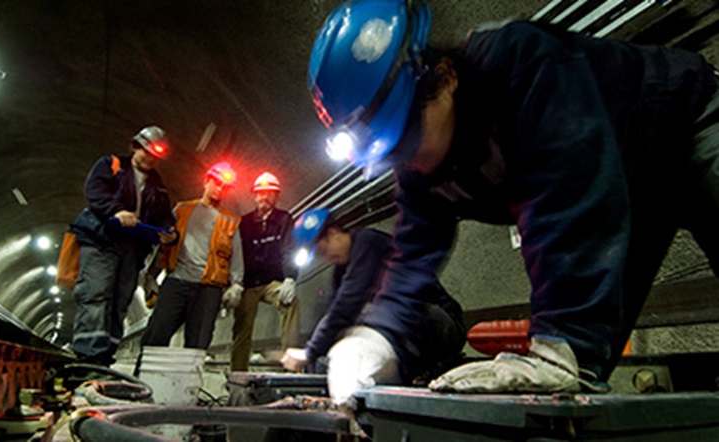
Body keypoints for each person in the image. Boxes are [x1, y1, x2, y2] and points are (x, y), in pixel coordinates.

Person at [307, 0, 719, 404]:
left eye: (411, 137)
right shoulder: (416, 167)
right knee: (583, 364)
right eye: (393, 153)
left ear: (446, 76)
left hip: (685, 120)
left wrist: (562, 342)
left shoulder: (522, 63)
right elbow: (413, 253)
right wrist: (379, 335)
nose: (410, 161)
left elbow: (571, 192)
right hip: (624, 188)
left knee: (570, 343)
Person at [281, 208, 467, 383]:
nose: (327, 258)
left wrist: (311, 352)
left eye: (323, 251)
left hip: (440, 321)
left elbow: (347, 305)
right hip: (407, 325)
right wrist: (313, 353)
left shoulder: (367, 243)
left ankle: (403, 372)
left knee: (381, 319)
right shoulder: (341, 271)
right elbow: (333, 313)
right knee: (358, 327)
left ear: (333, 233)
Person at [69, 125, 176, 366]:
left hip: (132, 249)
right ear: (135, 147)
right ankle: (87, 357)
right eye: (146, 153)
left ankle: (105, 357)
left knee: (120, 301)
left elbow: (164, 215)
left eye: (155, 157)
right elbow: (95, 193)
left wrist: (170, 231)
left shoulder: (157, 185)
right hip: (102, 241)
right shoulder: (111, 165)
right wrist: (116, 211)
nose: (150, 159)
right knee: (97, 294)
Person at [140, 162, 244, 350]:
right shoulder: (182, 210)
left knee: (198, 343)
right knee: (156, 335)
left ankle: (189, 379)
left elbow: (236, 255)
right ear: (206, 181)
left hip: (208, 290)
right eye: (217, 183)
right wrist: (151, 276)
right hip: (176, 283)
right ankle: (143, 376)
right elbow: (164, 244)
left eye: (225, 187)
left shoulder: (231, 221)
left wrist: (236, 284)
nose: (220, 189)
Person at [230, 172, 301, 371]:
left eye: (269, 193)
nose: (264, 197)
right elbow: (235, 254)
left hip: (272, 282)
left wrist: (290, 278)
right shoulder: (244, 223)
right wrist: (233, 283)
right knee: (242, 327)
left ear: (276, 196)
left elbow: (289, 248)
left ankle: (291, 367)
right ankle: (237, 374)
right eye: (260, 193)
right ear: (254, 196)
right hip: (249, 283)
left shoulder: (284, 219)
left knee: (291, 303)